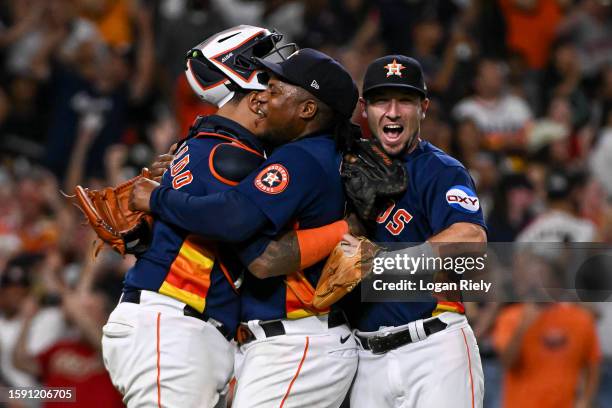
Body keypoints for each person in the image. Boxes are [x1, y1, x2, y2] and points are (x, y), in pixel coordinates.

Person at [129, 48, 360, 407]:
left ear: (307, 110)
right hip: (281, 341)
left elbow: (253, 246)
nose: (263, 96)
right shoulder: (314, 153)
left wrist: (159, 199)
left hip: (298, 340)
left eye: (276, 90)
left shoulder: (300, 157)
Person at [101, 25, 296, 408]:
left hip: (187, 329)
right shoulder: (231, 156)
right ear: (253, 96)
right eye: (273, 73)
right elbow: (241, 228)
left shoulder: (210, 146)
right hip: (175, 328)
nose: (284, 86)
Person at [339, 55, 487, 407]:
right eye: (380, 101)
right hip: (364, 358)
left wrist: (385, 264)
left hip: (434, 348)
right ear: (364, 108)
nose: (392, 112)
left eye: (404, 100)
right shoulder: (342, 166)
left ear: (423, 107)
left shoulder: (440, 170)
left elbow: (472, 239)